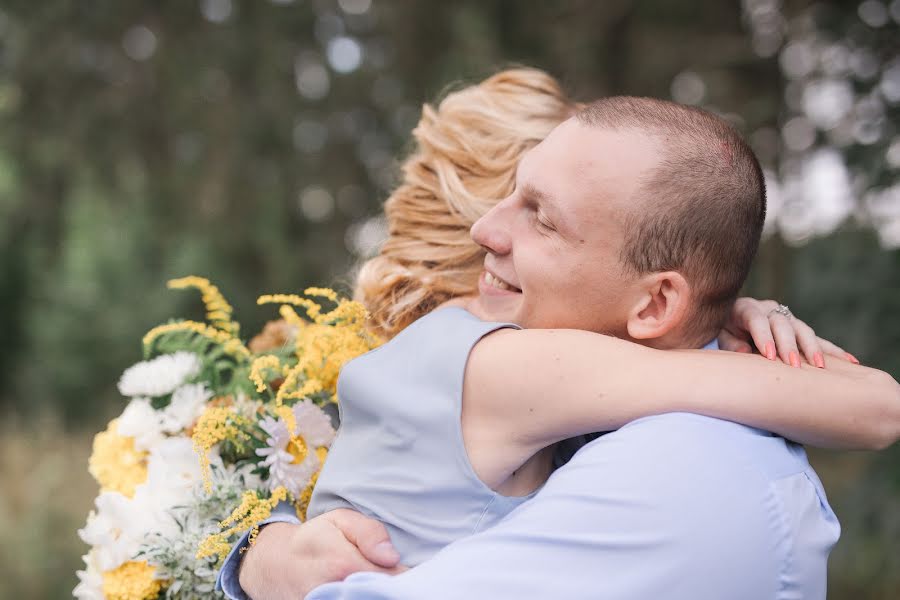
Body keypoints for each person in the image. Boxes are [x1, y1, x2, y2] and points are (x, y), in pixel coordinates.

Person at [219, 70, 900, 600]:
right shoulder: (505, 364)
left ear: (657, 298)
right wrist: (714, 317)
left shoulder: (497, 362)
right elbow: (874, 408)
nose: (486, 229)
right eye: (511, 194)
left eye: (540, 217)